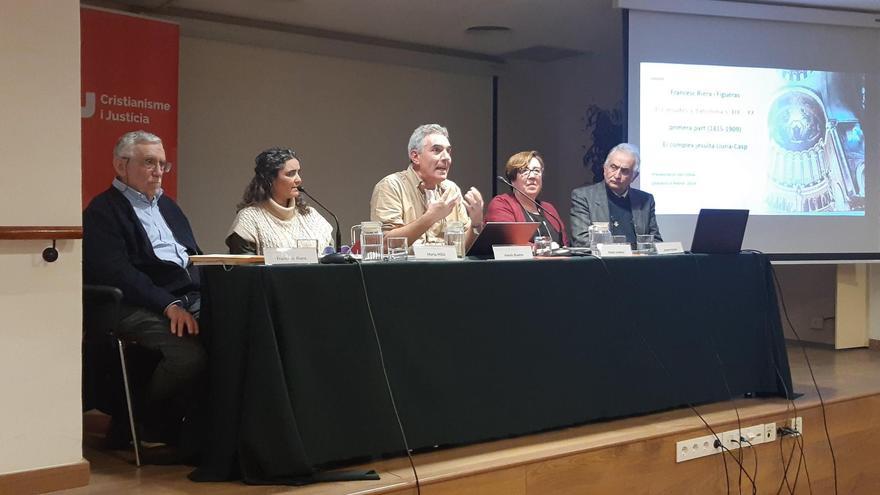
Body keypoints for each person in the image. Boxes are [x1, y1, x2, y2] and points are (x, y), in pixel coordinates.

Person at [83, 130, 205, 451]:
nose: (158, 172)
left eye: (163, 164)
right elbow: (120, 275)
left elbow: (193, 256)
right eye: (149, 162)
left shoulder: (169, 207)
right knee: (188, 356)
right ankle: (141, 419)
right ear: (120, 166)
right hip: (132, 304)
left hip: (182, 297)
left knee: (234, 329)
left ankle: (209, 429)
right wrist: (168, 305)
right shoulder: (102, 212)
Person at [370, 124, 484, 249]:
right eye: (436, 150)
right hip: (407, 268)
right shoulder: (391, 186)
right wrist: (430, 217)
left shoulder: (451, 190)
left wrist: (475, 224)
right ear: (415, 156)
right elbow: (384, 244)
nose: (446, 158)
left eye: (448, 151)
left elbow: (462, 249)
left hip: (447, 268)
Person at [226, 148, 334, 254]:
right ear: (269, 179)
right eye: (290, 174)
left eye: (298, 172)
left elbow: (332, 258)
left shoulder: (312, 216)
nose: (299, 180)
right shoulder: (249, 219)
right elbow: (243, 270)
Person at [570, 143, 662, 247]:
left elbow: (656, 241)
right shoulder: (584, 197)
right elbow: (581, 241)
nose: (617, 175)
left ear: (634, 176)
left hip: (638, 261)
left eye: (625, 171)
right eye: (613, 167)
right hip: (602, 262)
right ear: (605, 168)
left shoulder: (645, 200)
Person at [485, 150, 568, 247]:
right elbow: (507, 241)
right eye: (524, 171)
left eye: (536, 171)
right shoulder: (502, 204)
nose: (532, 176)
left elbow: (564, 244)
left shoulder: (549, 209)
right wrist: (543, 248)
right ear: (512, 179)